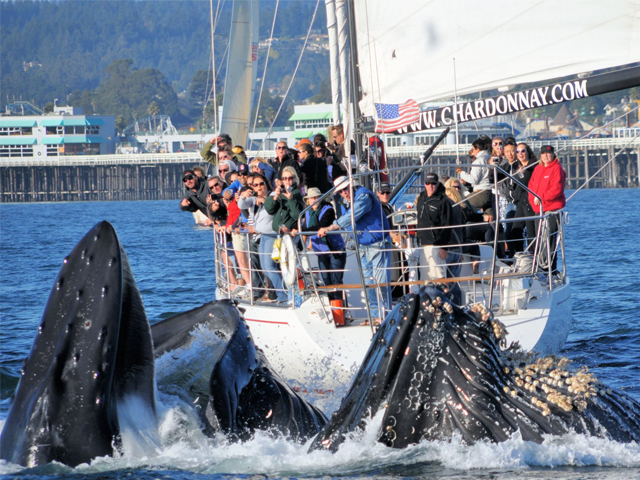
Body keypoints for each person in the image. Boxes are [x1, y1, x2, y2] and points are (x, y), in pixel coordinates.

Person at [318, 176, 391, 325]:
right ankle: (375, 317)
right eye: (341, 191)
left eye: (346, 188)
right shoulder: (351, 201)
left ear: (351, 185)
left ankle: (386, 317)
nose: (344, 192)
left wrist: (331, 227)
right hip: (363, 246)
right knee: (368, 284)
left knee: (381, 283)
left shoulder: (364, 196)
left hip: (378, 245)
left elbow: (352, 216)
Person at [237, 173, 287, 303]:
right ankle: (278, 294)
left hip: (271, 235)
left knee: (270, 267)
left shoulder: (272, 197)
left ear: (266, 185)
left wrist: (264, 201)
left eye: (261, 184)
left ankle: (283, 295)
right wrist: (243, 196)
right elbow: (241, 206)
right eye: (255, 185)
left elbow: (272, 215)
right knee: (265, 268)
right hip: (261, 236)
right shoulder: (253, 200)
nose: (259, 187)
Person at [300, 187, 346, 302]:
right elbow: (305, 228)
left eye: (316, 197)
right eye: (312, 198)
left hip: (335, 250)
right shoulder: (307, 212)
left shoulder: (329, 209)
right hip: (321, 252)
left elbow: (322, 225)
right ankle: (332, 308)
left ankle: (340, 310)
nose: (314, 200)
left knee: (336, 282)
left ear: (320, 198)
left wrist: (302, 231)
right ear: (308, 200)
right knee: (326, 281)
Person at [528, 145, 566, 272]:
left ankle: (550, 269)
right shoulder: (538, 169)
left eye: (548, 153)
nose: (545, 156)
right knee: (538, 240)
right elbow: (530, 188)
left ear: (553, 154)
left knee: (549, 241)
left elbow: (557, 189)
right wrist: (534, 204)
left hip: (552, 210)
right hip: (538, 210)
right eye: (543, 153)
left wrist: (541, 199)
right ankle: (538, 267)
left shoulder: (557, 169)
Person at [416, 173, 454, 280]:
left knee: (440, 276)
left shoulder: (443, 201)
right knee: (425, 277)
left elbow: (447, 225)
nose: (430, 186)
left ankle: (444, 295)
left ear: (437, 184)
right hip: (422, 244)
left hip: (436, 244)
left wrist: (443, 247)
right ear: (424, 184)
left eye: (433, 183)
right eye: (428, 183)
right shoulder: (421, 198)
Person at [456, 138, 494, 217]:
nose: (472, 152)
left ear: (478, 149)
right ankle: (492, 229)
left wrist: (461, 172)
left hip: (481, 193)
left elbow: (474, 180)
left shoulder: (478, 161)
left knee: (462, 204)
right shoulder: (489, 157)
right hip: (490, 192)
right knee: (490, 217)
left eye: (473, 149)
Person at [511, 142, 537, 252]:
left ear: (528, 152)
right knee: (515, 229)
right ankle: (519, 253)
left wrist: (521, 173)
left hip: (530, 200)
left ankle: (533, 254)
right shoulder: (517, 166)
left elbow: (526, 181)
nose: (520, 153)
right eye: (517, 151)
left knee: (531, 229)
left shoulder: (532, 165)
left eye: (523, 151)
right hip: (520, 201)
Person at [264, 166, 305, 235]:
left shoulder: (297, 194)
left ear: (294, 178)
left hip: (290, 233)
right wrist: (275, 197)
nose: (287, 181)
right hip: (278, 232)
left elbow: (297, 215)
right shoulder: (281, 192)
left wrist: (291, 200)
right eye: (284, 178)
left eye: (290, 178)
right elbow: (269, 210)